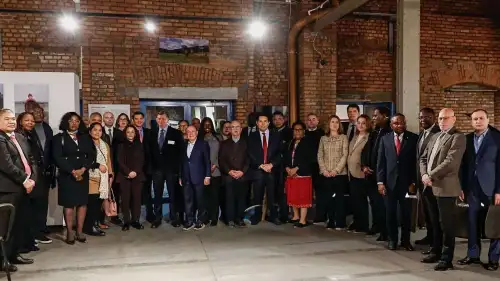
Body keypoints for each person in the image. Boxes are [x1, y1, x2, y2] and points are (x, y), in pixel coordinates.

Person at [419, 108, 466, 271]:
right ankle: (435, 251)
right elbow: (423, 158)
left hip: (445, 187)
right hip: (429, 185)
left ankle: (447, 259)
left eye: (446, 118)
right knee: (434, 222)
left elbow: (451, 162)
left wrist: (429, 175)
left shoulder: (458, 137)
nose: (442, 121)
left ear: (454, 119)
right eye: (440, 118)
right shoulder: (435, 136)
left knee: (446, 225)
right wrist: (424, 174)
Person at [458, 109, 500, 271]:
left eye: (481, 118)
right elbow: (462, 166)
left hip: (492, 188)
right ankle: (473, 255)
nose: (478, 121)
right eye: (475, 119)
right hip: (472, 188)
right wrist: (461, 187)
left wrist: (499, 190)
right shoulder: (466, 139)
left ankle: (493, 258)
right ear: (471, 121)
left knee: (495, 224)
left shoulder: (497, 138)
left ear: (488, 119)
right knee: (472, 222)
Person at [52, 112, 97, 244]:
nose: (74, 123)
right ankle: (70, 233)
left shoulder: (85, 137)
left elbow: (91, 156)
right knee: (69, 204)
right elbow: (57, 157)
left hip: (83, 174)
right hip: (67, 176)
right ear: (66, 122)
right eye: (71, 121)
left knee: (82, 203)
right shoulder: (58, 138)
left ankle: (79, 231)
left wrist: (83, 169)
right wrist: (72, 171)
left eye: (77, 121)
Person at [0, 109, 35, 272]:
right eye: (7, 119)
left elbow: (29, 158)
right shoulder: (0, 140)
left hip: (23, 187)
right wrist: (24, 179)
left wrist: (32, 178)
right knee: (6, 226)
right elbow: (7, 166)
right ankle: (3, 260)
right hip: (8, 189)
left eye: (13, 119)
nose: (12, 122)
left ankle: (14, 254)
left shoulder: (18, 137)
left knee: (18, 224)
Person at [376, 113, 418, 251]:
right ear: (391, 125)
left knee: (406, 214)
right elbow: (381, 162)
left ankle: (406, 241)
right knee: (390, 213)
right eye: (396, 123)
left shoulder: (413, 138)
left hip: (407, 184)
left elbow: (415, 163)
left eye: (402, 123)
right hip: (389, 183)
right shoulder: (385, 139)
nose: (399, 125)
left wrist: (413, 182)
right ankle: (392, 240)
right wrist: (380, 182)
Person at [149, 111, 184, 228]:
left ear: (167, 120)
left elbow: (180, 154)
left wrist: (178, 171)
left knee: (173, 195)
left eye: (163, 119)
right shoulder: (152, 133)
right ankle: (157, 218)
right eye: (159, 119)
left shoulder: (176, 133)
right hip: (157, 170)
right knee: (157, 195)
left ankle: (174, 218)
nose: (161, 121)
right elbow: (149, 152)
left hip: (171, 171)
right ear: (157, 120)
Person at [361, 106, 391, 241]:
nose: (373, 118)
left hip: (382, 175)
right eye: (373, 116)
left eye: (376, 116)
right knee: (374, 203)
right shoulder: (374, 132)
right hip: (370, 174)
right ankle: (377, 226)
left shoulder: (389, 133)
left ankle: (386, 231)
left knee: (383, 205)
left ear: (385, 116)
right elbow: (366, 151)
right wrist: (364, 166)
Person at [247, 113, 282, 225]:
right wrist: (261, 165)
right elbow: (249, 154)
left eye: (265, 121)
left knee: (272, 195)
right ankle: (257, 216)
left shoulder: (276, 135)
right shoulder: (251, 136)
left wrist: (271, 164)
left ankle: (273, 216)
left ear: (268, 123)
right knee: (257, 195)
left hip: (272, 170)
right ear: (257, 123)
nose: (263, 123)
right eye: (260, 121)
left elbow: (280, 152)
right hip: (258, 170)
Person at [416, 108, 441, 258]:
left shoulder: (437, 133)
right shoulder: (422, 133)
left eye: (427, 117)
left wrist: (428, 176)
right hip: (421, 180)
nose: (423, 120)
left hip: (433, 181)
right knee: (427, 212)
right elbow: (419, 159)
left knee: (435, 214)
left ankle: (436, 244)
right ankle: (430, 236)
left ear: (434, 118)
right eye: (421, 117)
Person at [27, 106, 55, 243]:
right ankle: (34, 232)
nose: (38, 114)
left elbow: (51, 150)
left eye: (40, 112)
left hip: (46, 171)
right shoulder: (27, 132)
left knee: (43, 202)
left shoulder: (47, 128)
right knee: (34, 203)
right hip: (33, 173)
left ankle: (41, 228)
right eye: (35, 112)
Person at [317, 115, 349, 230]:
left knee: (339, 199)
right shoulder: (323, 139)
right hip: (326, 174)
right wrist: (324, 170)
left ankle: (340, 222)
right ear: (328, 124)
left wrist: (336, 170)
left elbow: (345, 155)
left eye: (337, 122)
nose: (334, 124)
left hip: (339, 174)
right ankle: (330, 221)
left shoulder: (343, 137)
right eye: (332, 122)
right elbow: (320, 155)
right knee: (328, 198)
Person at [284, 121, 315, 228]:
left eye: (299, 130)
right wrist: (287, 168)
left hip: (303, 174)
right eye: (295, 130)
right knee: (293, 196)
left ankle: (303, 220)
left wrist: (296, 169)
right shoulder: (290, 142)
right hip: (291, 174)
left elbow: (310, 159)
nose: (297, 132)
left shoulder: (308, 142)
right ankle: (295, 216)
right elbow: (286, 157)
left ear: (303, 131)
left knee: (303, 197)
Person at [218, 121, 249, 227]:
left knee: (241, 198)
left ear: (241, 129)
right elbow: (221, 160)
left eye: (237, 127)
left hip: (242, 176)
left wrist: (242, 171)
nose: (235, 129)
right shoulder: (224, 144)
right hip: (228, 176)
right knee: (229, 198)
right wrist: (229, 171)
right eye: (233, 127)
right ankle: (229, 219)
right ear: (230, 130)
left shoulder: (246, 143)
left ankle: (239, 219)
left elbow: (249, 160)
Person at [84, 122, 112, 237]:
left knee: (99, 203)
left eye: (100, 130)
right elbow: (85, 160)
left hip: (103, 178)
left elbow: (108, 161)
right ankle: (89, 226)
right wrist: (97, 166)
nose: (97, 132)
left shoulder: (105, 144)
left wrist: (110, 174)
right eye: (95, 130)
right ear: (90, 131)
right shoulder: (86, 143)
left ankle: (95, 224)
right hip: (91, 177)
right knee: (92, 204)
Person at [180, 125, 211, 230]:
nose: (190, 133)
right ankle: (189, 221)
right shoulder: (183, 145)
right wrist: (180, 176)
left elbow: (207, 161)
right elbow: (181, 163)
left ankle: (200, 220)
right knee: (187, 200)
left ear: (197, 132)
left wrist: (207, 176)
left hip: (199, 177)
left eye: (193, 131)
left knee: (200, 200)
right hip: (186, 177)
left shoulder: (203, 144)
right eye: (188, 132)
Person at [117, 125, 145, 231]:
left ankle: (136, 221)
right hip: (124, 176)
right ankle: (126, 222)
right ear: (125, 133)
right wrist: (128, 172)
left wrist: (135, 172)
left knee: (136, 199)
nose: (130, 134)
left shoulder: (139, 145)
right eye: (128, 132)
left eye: (132, 132)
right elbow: (119, 160)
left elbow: (142, 160)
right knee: (125, 200)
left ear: (135, 133)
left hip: (137, 176)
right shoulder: (120, 145)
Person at [347, 114, 371, 233]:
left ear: (367, 125)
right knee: (354, 200)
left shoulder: (369, 137)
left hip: (360, 173)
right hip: (351, 172)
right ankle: (356, 222)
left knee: (361, 200)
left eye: (363, 123)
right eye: (359, 122)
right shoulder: (355, 136)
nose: (360, 125)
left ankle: (363, 225)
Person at [199, 117, 222, 226]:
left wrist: (215, 165)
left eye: (209, 124)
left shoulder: (218, 137)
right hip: (202, 172)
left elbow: (222, 154)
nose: (207, 127)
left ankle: (214, 218)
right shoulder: (199, 138)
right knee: (204, 196)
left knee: (215, 196)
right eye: (205, 125)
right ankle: (205, 217)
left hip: (215, 171)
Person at [272, 111, 293, 223]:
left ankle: (284, 215)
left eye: (279, 118)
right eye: (275, 119)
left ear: (284, 119)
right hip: (273, 166)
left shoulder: (289, 132)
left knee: (283, 191)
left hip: (285, 167)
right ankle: (275, 214)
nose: (277, 121)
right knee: (274, 191)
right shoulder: (271, 131)